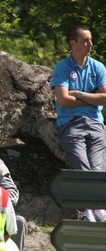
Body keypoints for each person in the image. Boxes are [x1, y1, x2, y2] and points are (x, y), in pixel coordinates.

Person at [51, 24, 106, 222]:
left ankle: (96, 208)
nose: (90, 43)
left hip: (95, 122)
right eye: (85, 40)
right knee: (82, 166)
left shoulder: (98, 67)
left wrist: (81, 95)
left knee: (98, 167)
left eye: (90, 39)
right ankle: (89, 211)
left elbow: (105, 98)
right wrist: (93, 97)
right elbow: (64, 100)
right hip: (70, 123)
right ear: (72, 43)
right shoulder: (63, 68)